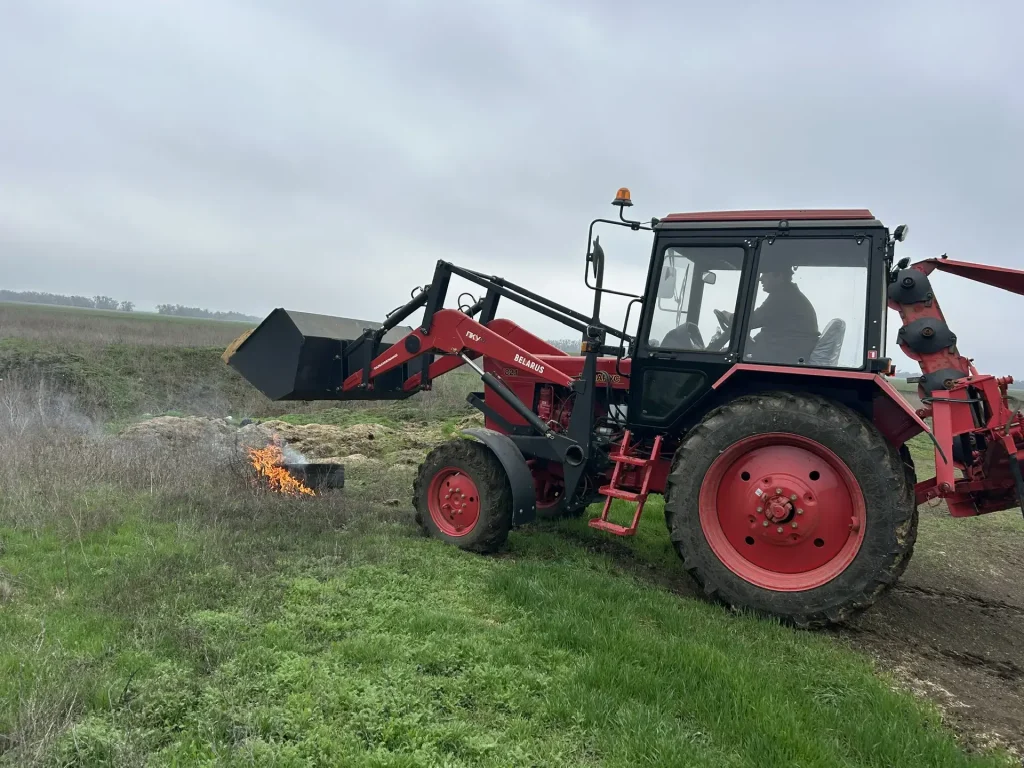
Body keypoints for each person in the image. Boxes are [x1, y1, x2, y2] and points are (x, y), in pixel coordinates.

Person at [746, 266, 819, 364]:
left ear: (779, 275)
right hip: (782, 352)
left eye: (764, 274)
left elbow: (750, 321)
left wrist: (730, 318)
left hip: (783, 355)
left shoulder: (783, 296)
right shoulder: (787, 294)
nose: (760, 279)